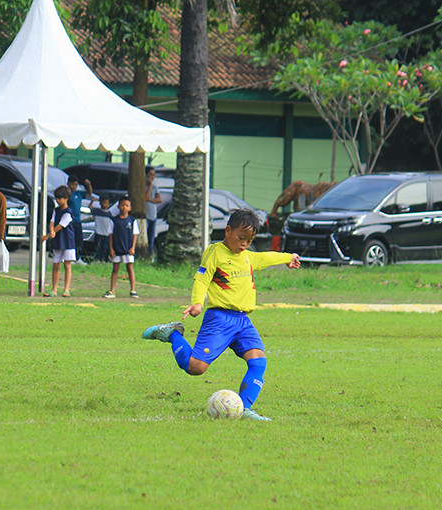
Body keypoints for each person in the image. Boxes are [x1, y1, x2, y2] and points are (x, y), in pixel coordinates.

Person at [141, 208, 302, 421]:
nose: (244, 244)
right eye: (241, 238)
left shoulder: (247, 257)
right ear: (228, 231)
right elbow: (202, 278)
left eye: (250, 240)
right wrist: (197, 303)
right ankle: (172, 334)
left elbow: (265, 257)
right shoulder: (215, 252)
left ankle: (244, 408)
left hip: (243, 322)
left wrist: (287, 257)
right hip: (219, 319)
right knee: (195, 367)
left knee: (258, 361)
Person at [41, 185, 76, 297]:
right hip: (58, 241)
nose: (58, 200)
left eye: (60, 198)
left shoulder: (68, 212)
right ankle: (54, 289)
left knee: (67, 265)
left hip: (68, 241)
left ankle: (66, 289)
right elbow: (52, 222)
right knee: (56, 265)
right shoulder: (56, 211)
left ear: (66, 199)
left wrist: (48, 235)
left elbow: (60, 225)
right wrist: (51, 230)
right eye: (57, 198)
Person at [104, 194, 139, 299]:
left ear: (130, 208)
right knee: (115, 268)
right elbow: (111, 235)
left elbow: (135, 235)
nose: (124, 207)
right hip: (117, 248)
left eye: (127, 205)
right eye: (122, 205)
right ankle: (112, 290)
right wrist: (111, 248)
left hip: (128, 249)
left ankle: (133, 290)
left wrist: (133, 247)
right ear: (118, 206)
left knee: (130, 268)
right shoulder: (114, 220)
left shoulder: (132, 221)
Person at [67, 175, 92, 263]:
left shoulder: (78, 193)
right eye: (72, 184)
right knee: (71, 239)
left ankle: (78, 257)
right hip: (69, 220)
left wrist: (88, 185)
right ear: (68, 184)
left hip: (78, 220)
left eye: (76, 184)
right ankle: (71, 258)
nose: (74, 186)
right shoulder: (67, 194)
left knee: (79, 239)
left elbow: (89, 193)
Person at [145, 166, 163, 257]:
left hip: (153, 216)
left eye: (153, 175)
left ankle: (149, 255)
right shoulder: (143, 186)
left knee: (151, 238)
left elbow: (159, 199)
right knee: (146, 238)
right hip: (146, 216)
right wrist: (150, 185)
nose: (152, 177)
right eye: (150, 175)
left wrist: (150, 200)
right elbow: (146, 197)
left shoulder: (155, 187)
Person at [90, 194, 113, 262]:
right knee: (98, 247)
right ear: (100, 203)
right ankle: (97, 259)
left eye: (107, 203)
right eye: (104, 202)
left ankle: (103, 260)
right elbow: (90, 208)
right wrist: (92, 202)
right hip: (99, 232)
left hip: (106, 233)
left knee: (105, 248)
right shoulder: (97, 211)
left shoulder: (109, 213)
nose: (106, 204)